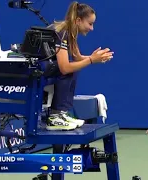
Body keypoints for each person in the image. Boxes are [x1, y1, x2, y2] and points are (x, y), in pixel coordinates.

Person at [46, 1, 113, 131]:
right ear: (78, 20)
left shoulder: (70, 32)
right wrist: (92, 60)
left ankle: (61, 113)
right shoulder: (63, 32)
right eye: (90, 24)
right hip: (35, 68)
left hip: (46, 66)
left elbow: (78, 58)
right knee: (70, 70)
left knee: (74, 67)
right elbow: (64, 68)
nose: (92, 28)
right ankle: (56, 115)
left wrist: (95, 58)